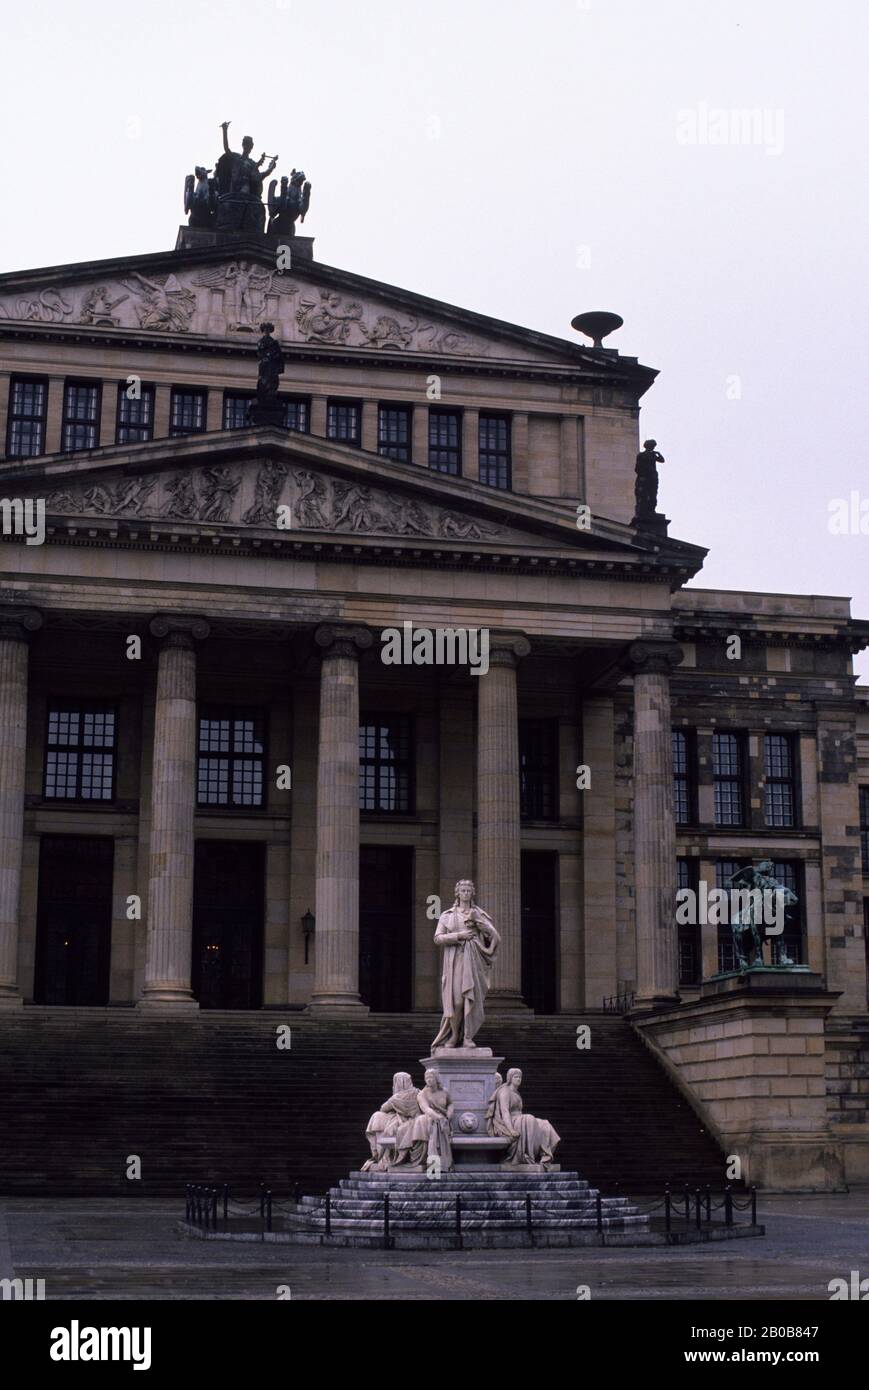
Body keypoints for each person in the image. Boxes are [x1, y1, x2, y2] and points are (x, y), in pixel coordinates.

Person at [430, 879, 500, 1050]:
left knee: (472, 1000)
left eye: (469, 890)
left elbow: (495, 937)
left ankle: (468, 1037)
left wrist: (479, 923)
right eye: (463, 890)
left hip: (474, 961)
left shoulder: (479, 914)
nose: (466, 893)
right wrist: (459, 936)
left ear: (472, 893)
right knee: (457, 1002)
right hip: (455, 962)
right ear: (457, 893)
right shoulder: (448, 915)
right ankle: (454, 1035)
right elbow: (437, 938)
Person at [486, 1068, 560, 1167]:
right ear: (510, 1078)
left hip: (519, 1119)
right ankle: (526, 1156)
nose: (519, 1079)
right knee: (529, 1118)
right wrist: (511, 1130)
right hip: (508, 1122)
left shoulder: (516, 1093)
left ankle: (545, 1155)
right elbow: (505, 1112)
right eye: (516, 1077)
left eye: (520, 1077)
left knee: (544, 1124)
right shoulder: (504, 1091)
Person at [362, 1072, 420, 1172]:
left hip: (404, 1122)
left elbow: (383, 1108)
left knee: (377, 1117)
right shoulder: (418, 1092)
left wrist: (396, 1107)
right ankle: (382, 1156)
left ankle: (381, 1156)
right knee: (380, 1119)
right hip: (414, 1122)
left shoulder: (396, 1097)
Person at [411, 1069, 454, 1171]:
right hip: (430, 1118)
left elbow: (451, 1104)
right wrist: (438, 1117)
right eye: (426, 1078)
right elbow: (425, 1108)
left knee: (438, 1126)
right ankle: (434, 1167)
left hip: (444, 1118)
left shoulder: (444, 1091)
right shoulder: (422, 1094)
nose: (428, 1080)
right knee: (434, 1127)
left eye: (431, 1077)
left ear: (436, 1078)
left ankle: (443, 1164)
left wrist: (449, 1114)